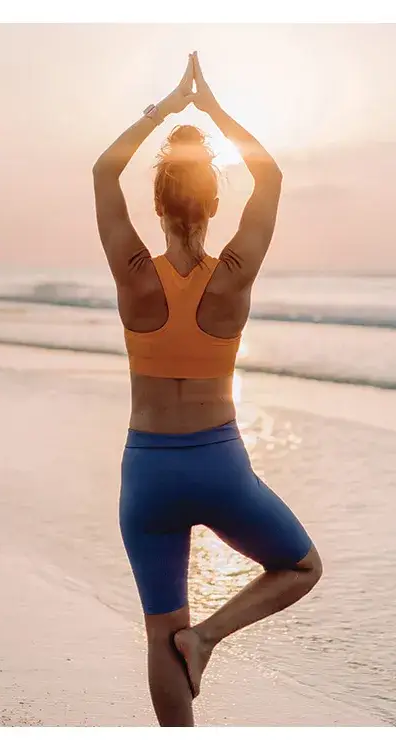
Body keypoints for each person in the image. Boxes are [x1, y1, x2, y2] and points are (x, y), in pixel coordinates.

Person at [92, 51, 323, 727]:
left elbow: (105, 171)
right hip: (219, 465)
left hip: (148, 472)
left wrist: (165, 111)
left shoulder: (135, 273)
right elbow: (270, 175)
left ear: (157, 203)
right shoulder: (235, 275)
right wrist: (212, 112)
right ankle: (209, 638)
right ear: (215, 201)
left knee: (159, 628)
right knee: (300, 568)